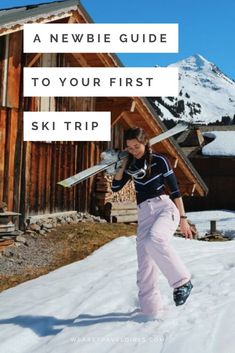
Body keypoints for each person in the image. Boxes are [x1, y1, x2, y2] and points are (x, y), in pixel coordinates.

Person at [111, 127, 193, 319]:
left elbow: (175, 191)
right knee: (145, 264)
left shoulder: (160, 161)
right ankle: (150, 310)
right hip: (144, 214)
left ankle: (182, 282)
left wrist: (183, 219)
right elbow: (116, 187)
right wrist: (122, 163)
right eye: (129, 147)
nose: (133, 150)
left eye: (136, 146)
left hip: (164, 208)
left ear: (145, 143)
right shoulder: (131, 164)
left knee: (154, 239)